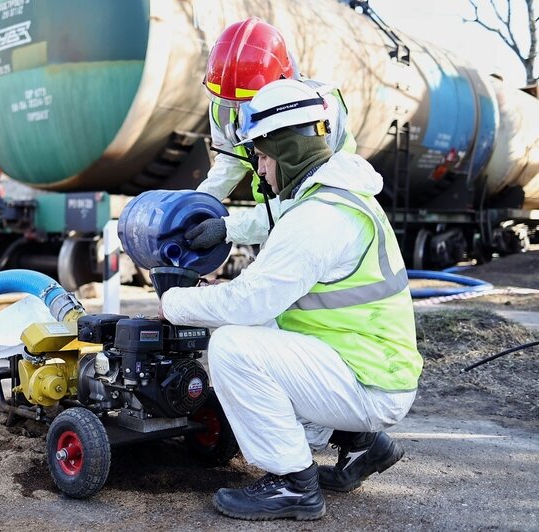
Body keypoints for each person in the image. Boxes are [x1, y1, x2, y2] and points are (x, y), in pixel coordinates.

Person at [160, 79, 423, 521]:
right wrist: (225, 229)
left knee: (232, 347)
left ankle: (292, 485)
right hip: (367, 364)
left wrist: (175, 304)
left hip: (370, 383)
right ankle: (361, 442)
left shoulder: (320, 218)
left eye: (263, 156)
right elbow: (273, 228)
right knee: (257, 330)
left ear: (287, 151)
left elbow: (249, 302)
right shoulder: (335, 196)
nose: (259, 170)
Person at [188, 17, 357, 250]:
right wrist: (193, 207)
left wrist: (229, 228)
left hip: (325, 211)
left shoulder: (312, 111)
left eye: (249, 100)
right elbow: (230, 160)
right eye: (231, 100)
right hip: (272, 208)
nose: (238, 110)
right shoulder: (223, 104)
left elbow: (303, 199)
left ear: (281, 85)